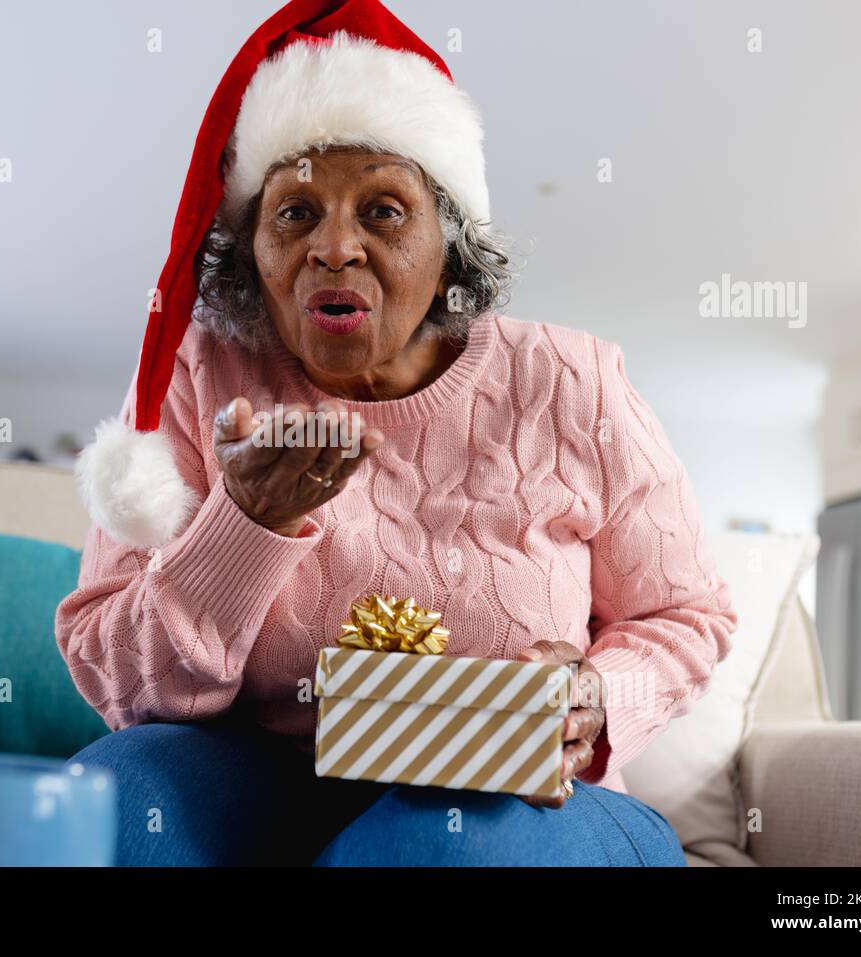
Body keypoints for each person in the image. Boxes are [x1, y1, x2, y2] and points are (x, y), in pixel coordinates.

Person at [55, 0, 738, 866]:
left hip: (515, 796)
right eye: (295, 212)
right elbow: (123, 687)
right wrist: (242, 527)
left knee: (428, 847)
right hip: (261, 776)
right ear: (252, 250)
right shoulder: (201, 374)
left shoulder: (573, 382)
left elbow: (685, 612)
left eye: (382, 211)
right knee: (108, 803)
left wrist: (597, 697)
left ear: (449, 248)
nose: (334, 247)